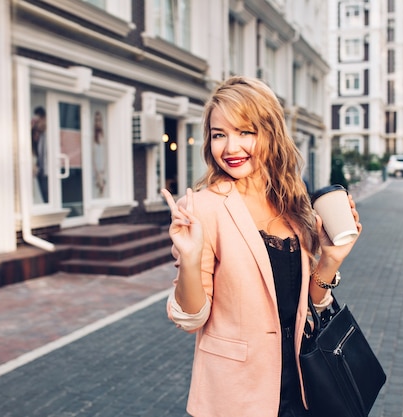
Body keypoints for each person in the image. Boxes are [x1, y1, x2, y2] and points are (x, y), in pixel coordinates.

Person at [161, 76, 361, 417]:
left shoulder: (293, 202)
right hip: (235, 396)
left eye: (245, 132)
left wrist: (331, 258)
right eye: (219, 134)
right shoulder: (204, 207)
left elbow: (311, 303)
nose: (230, 148)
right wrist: (191, 259)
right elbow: (191, 319)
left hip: (300, 385)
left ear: (270, 133)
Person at [31, 106, 48, 202]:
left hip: (47, 172)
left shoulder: (48, 135)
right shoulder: (37, 137)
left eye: (39, 121)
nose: (37, 125)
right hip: (40, 173)